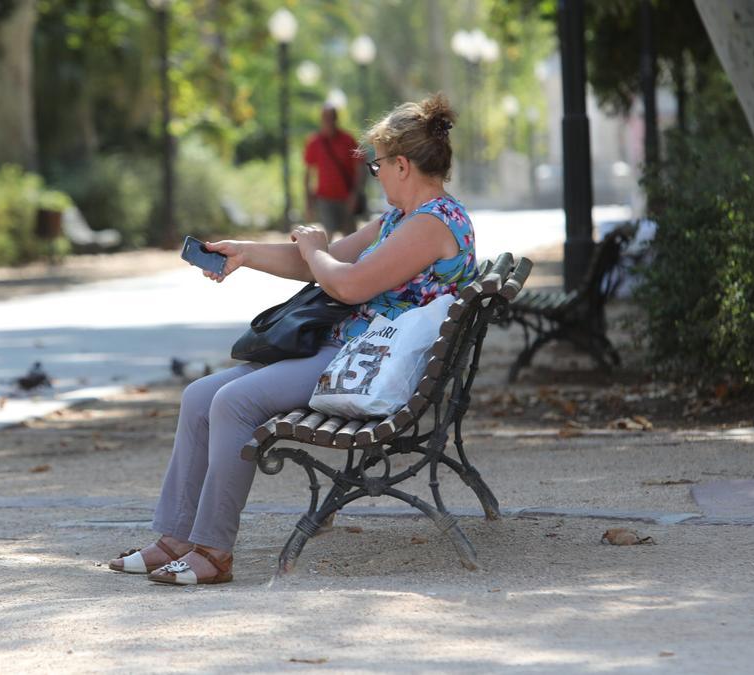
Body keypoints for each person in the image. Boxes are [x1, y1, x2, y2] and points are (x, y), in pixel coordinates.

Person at [109, 93, 479, 586]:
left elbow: (345, 282)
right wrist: (244, 253)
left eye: (378, 165)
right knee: (200, 396)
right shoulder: (400, 220)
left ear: (403, 165)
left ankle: (214, 551)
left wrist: (317, 249)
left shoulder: (431, 226)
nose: (376, 174)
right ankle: (175, 539)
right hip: (346, 352)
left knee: (233, 404)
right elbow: (318, 263)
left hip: (371, 365)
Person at [303, 104, 365, 237]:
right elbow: (308, 173)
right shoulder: (314, 142)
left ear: (336, 119)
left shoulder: (348, 140)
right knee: (327, 236)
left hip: (346, 198)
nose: (328, 121)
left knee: (350, 238)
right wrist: (308, 202)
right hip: (324, 198)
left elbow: (360, 167)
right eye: (325, 118)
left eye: (331, 118)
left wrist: (355, 194)